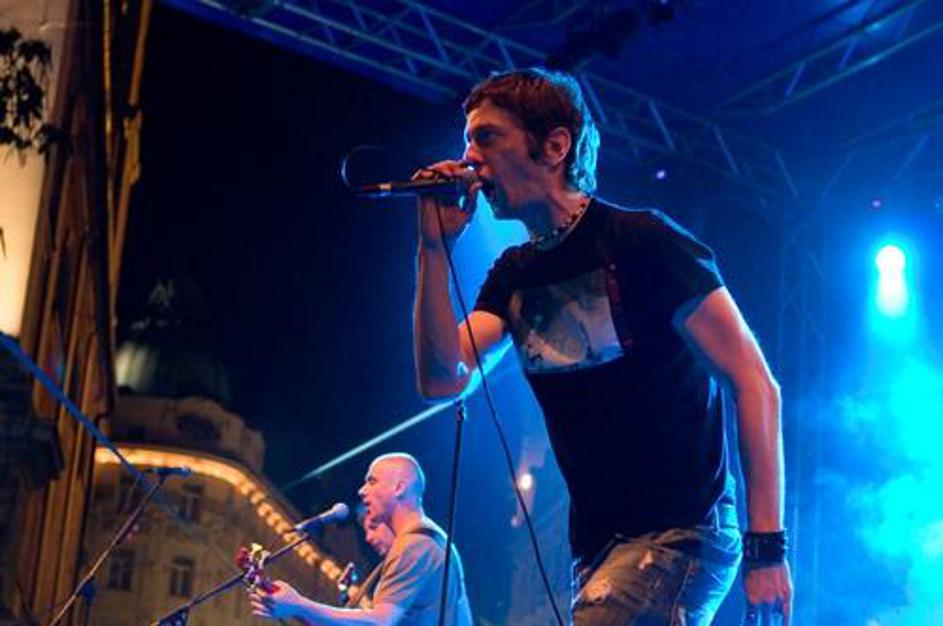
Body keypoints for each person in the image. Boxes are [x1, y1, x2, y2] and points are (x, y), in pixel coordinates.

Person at [412, 67, 793, 625]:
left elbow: (755, 382)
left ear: (554, 146)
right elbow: (442, 377)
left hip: (683, 528)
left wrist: (767, 550)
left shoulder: (644, 242)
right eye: (467, 140)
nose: (468, 158)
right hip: (598, 546)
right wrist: (432, 250)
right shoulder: (513, 275)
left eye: (486, 137)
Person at [249, 453, 473, 626]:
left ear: (399, 488)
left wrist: (299, 605)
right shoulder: (431, 540)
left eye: (372, 481)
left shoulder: (415, 544)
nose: (362, 490)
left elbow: (379, 622)